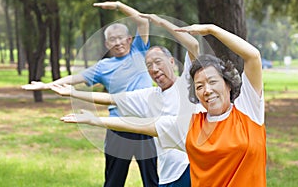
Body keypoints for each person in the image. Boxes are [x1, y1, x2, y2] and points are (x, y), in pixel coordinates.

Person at [60, 24, 267, 186]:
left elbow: (253, 56)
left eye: (213, 82)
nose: (207, 90)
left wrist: (212, 30)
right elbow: (140, 125)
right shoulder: (191, 126)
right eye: (199, 86)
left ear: (228, 84)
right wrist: (94, 120)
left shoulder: (248, 110)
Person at [51, 14, 204, 187]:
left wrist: (162, 23)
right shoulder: (149, 96)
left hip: (190, 167)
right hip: (167, 173)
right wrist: (73, 93)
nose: (154, 69)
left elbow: (193, 44)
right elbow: (111, 98)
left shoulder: (186, 83)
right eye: (149, 66)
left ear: (171, 61)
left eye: (158, 62)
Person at [22, 1, 159, 187]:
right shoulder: (103, 67)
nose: (117, 42)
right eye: (112, 39)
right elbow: (75, 78)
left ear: (129, 39)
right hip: (118, 127)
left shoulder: (139, 51)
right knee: (113, 181)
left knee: (152, 181)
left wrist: (119, 6)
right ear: (106, 43)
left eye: (121, 38)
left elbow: (142, 22)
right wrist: (46, 85)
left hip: (144, 125)